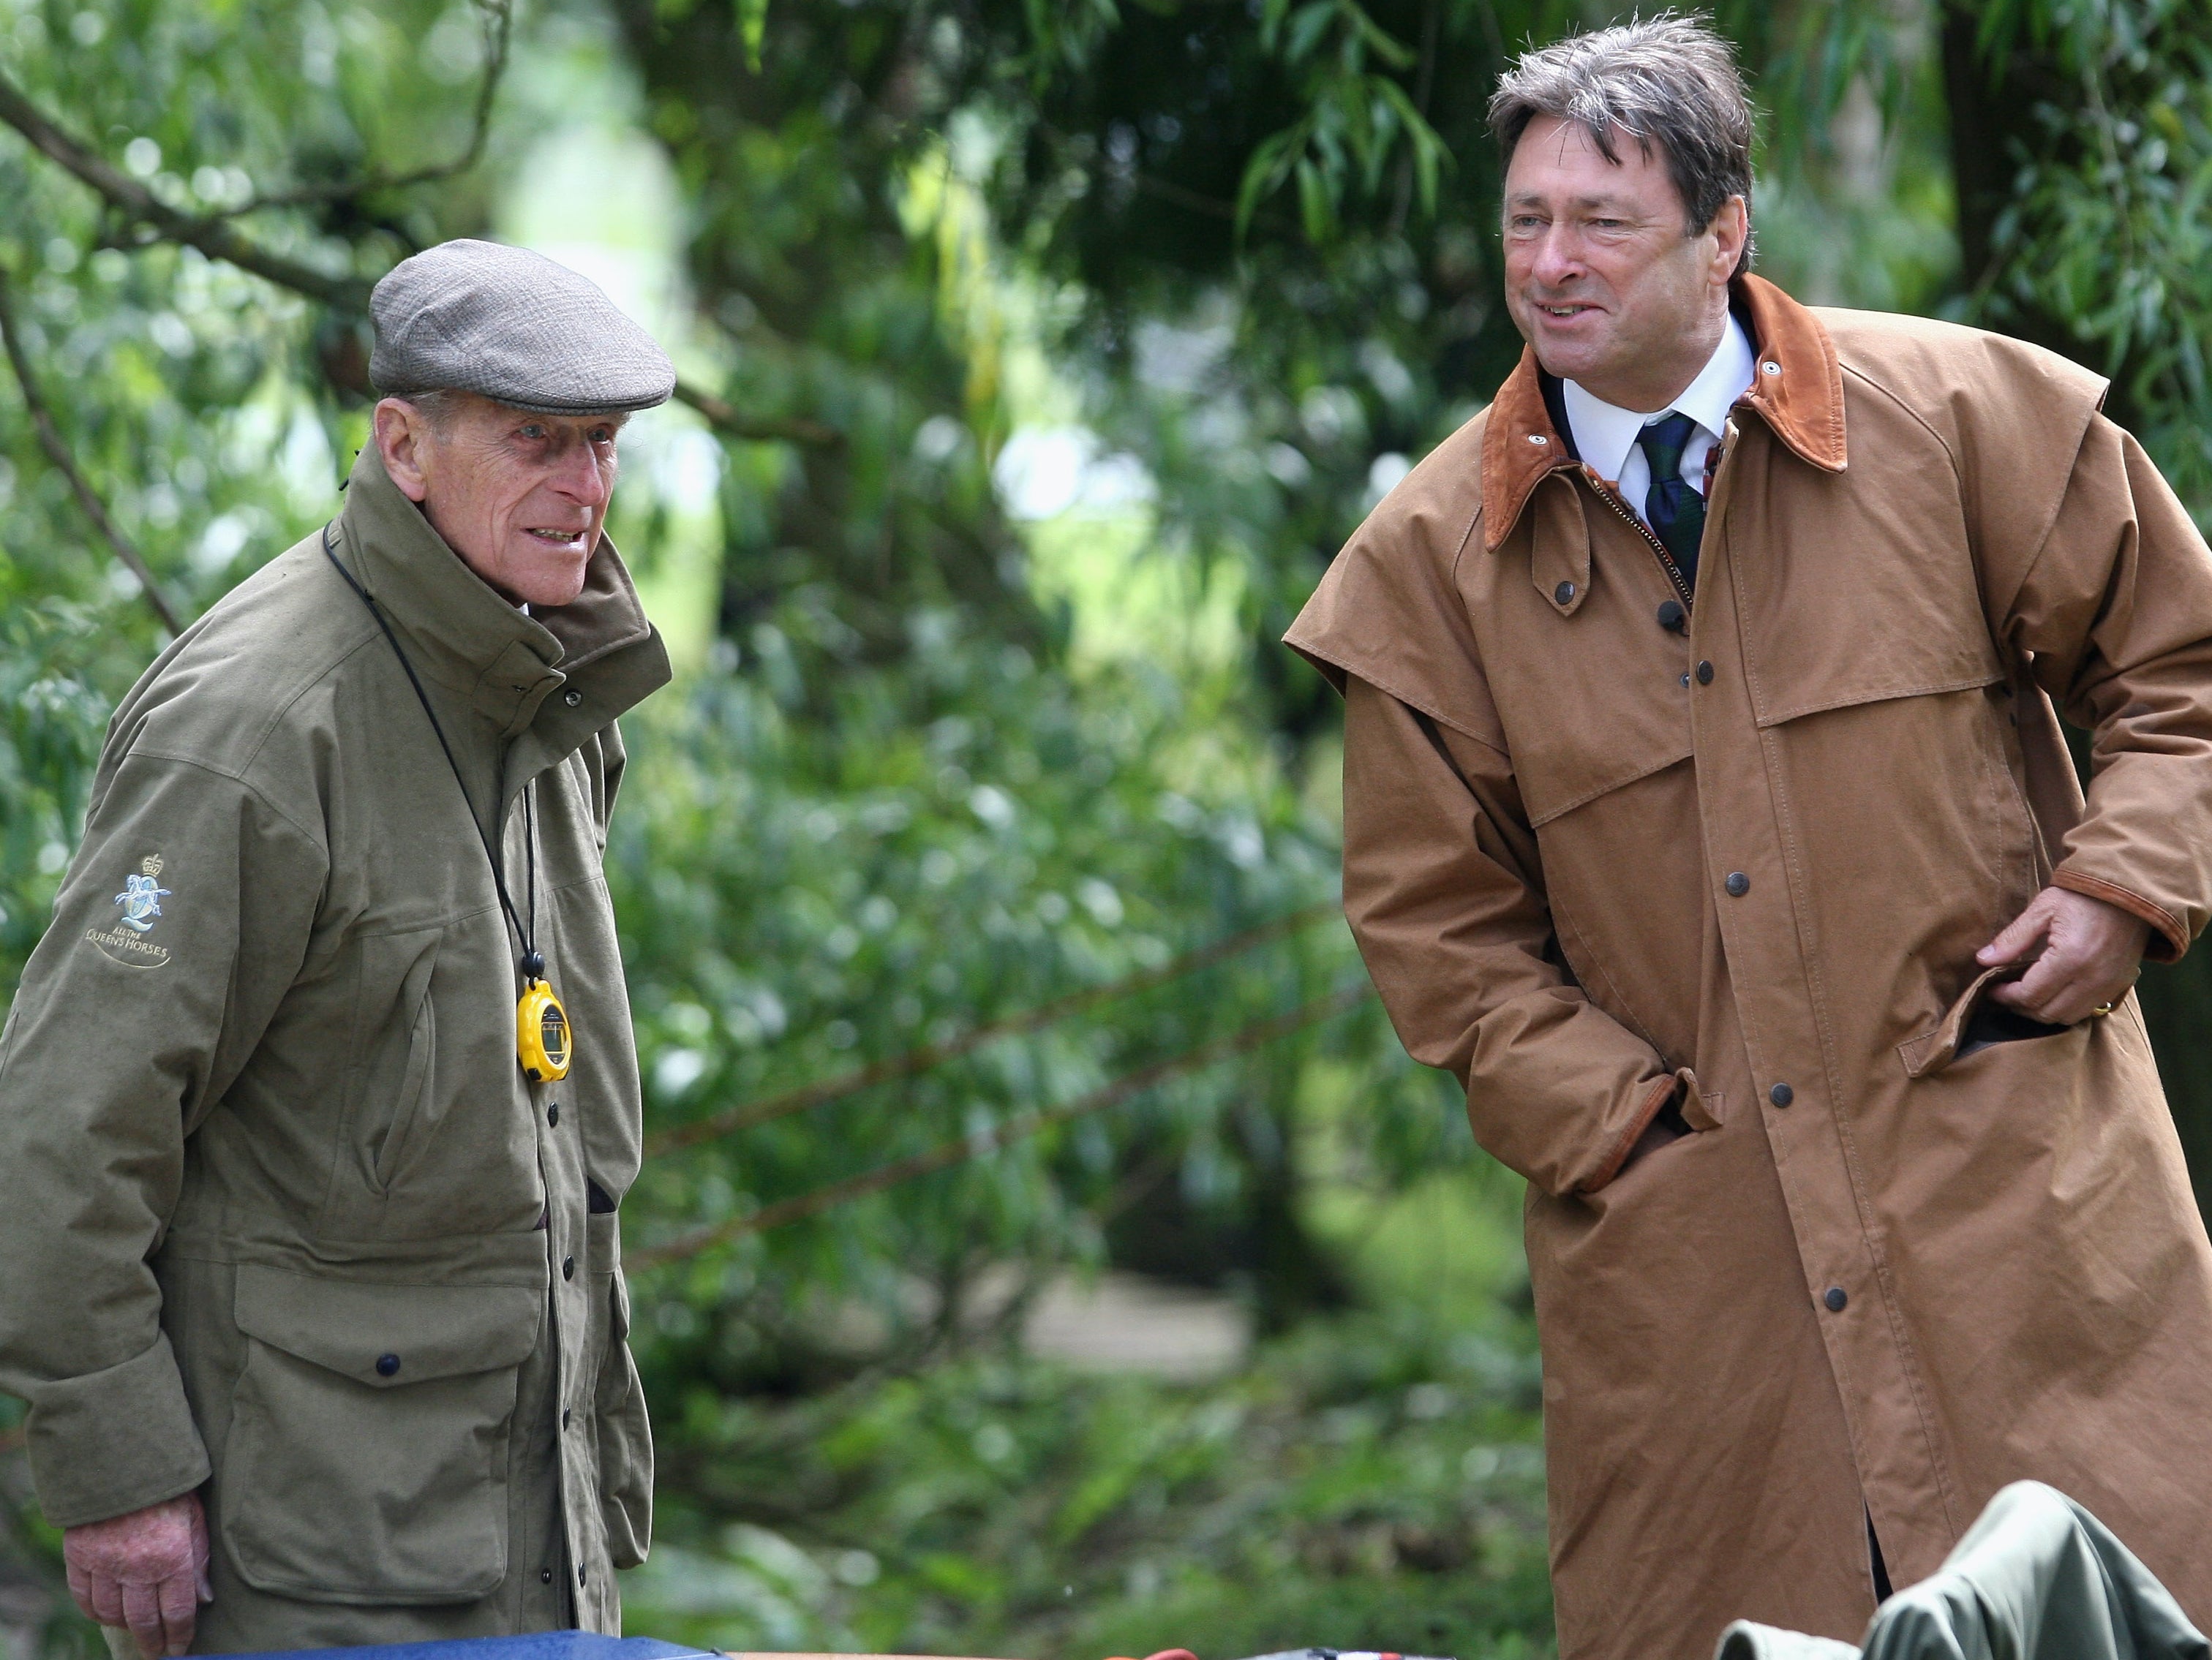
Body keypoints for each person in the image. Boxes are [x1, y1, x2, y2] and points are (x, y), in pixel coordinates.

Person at [1285, 18, 2212, 1660]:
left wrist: (2123, 884)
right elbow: (1436, 932)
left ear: (1725, 233)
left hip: (2017, 1214)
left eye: (1601, 221)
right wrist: (1631, 1129)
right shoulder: (1429, 568)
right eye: (1524, 220)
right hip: (1699, 1289)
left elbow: (2183, 663)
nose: (1550, 263)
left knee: (2112, 1617)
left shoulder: (1957, 415)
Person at [0, 238, 676, 1656]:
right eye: (536, 437)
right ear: (406, 447)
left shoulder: (546, 685)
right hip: (310, 1574)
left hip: (521, 1541)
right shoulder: (253, 729)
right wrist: (116, 1471)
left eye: (602, 442)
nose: (585, 485)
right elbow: (60, 1130)